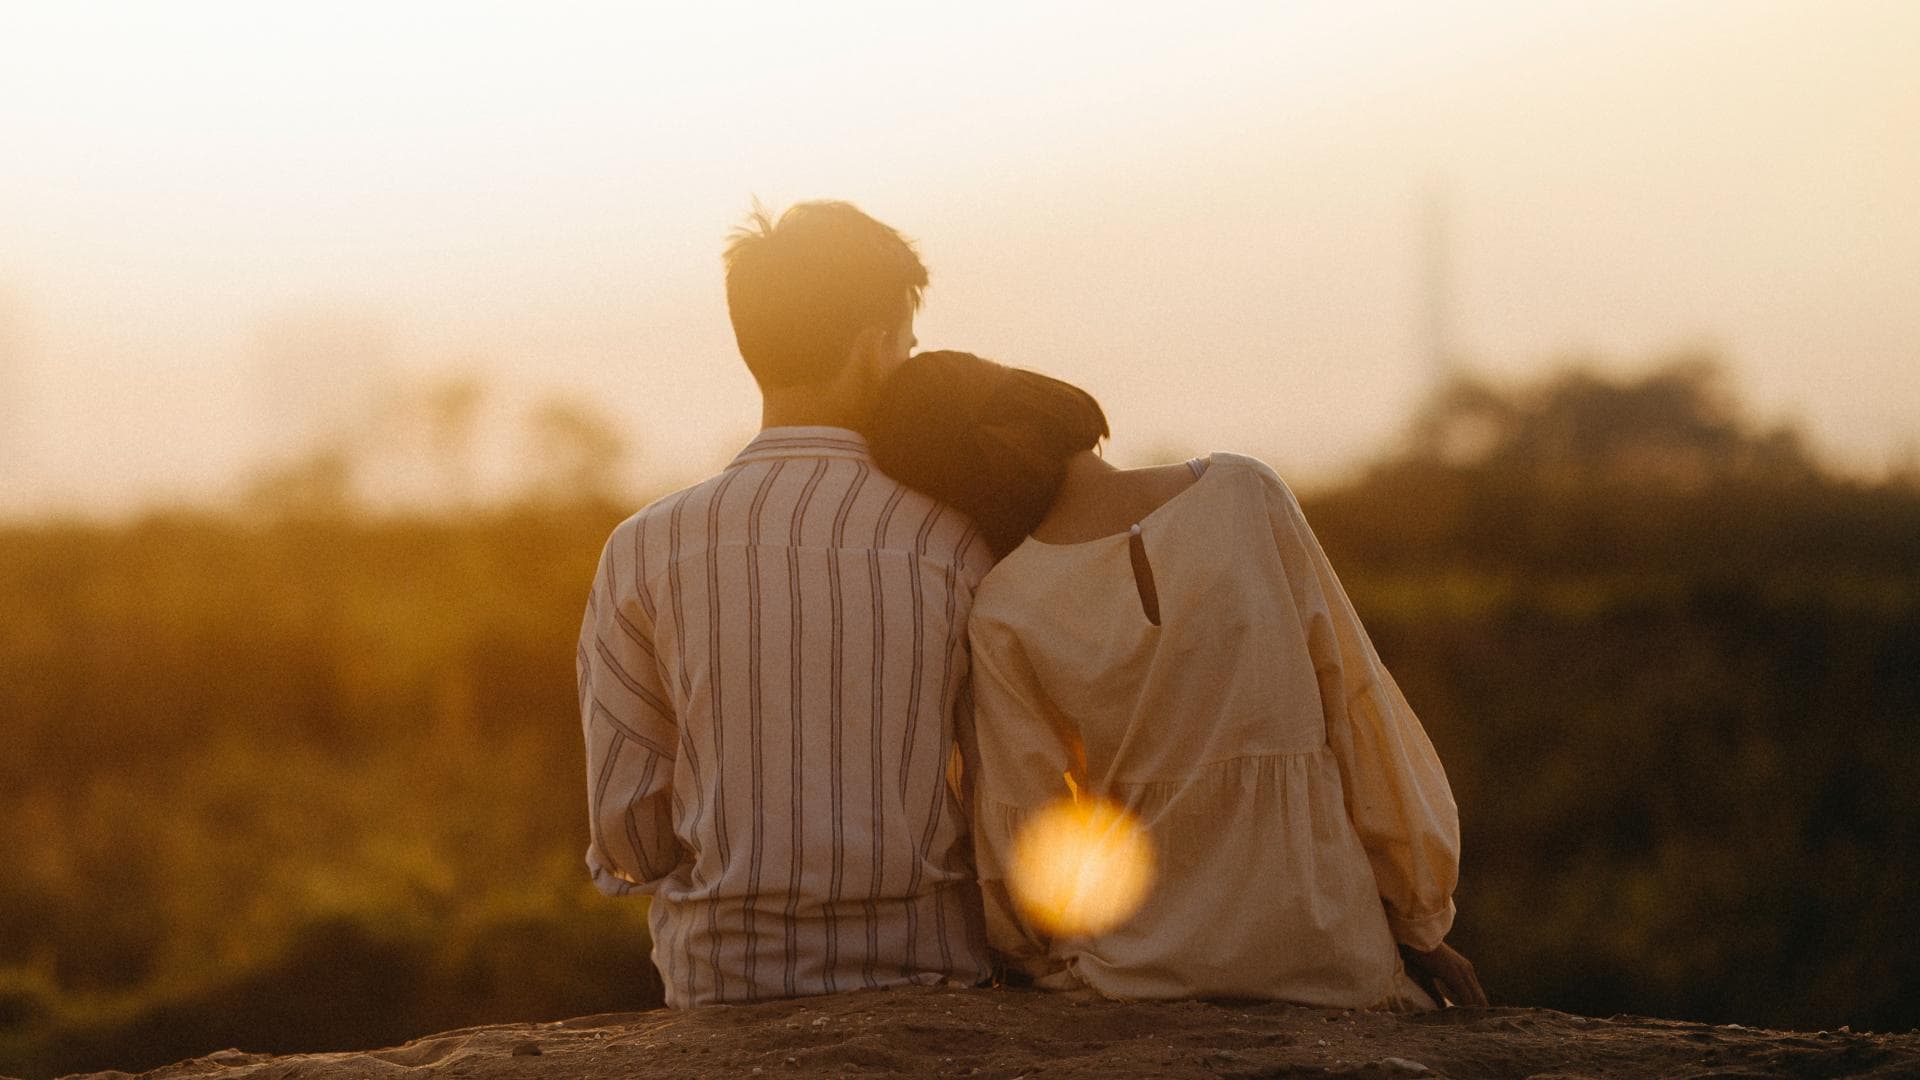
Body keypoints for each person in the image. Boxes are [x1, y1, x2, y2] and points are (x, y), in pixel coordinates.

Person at [862, 350, 1488, 1009]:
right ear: (1039, 397)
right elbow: (1358, 708)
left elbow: (1027, 828)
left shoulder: (1005, 607)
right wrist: (1419, 922)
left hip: (1135, 973)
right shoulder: (1248, 493)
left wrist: (1031, 955)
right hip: (1326, 954)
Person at [576, 203, 995, 1007]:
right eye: (906, 346)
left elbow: (627, 831)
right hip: (931, 976)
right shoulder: (957, 540)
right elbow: (1003, 788)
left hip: (726, 981)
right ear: (876, 348)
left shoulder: (645, 546)